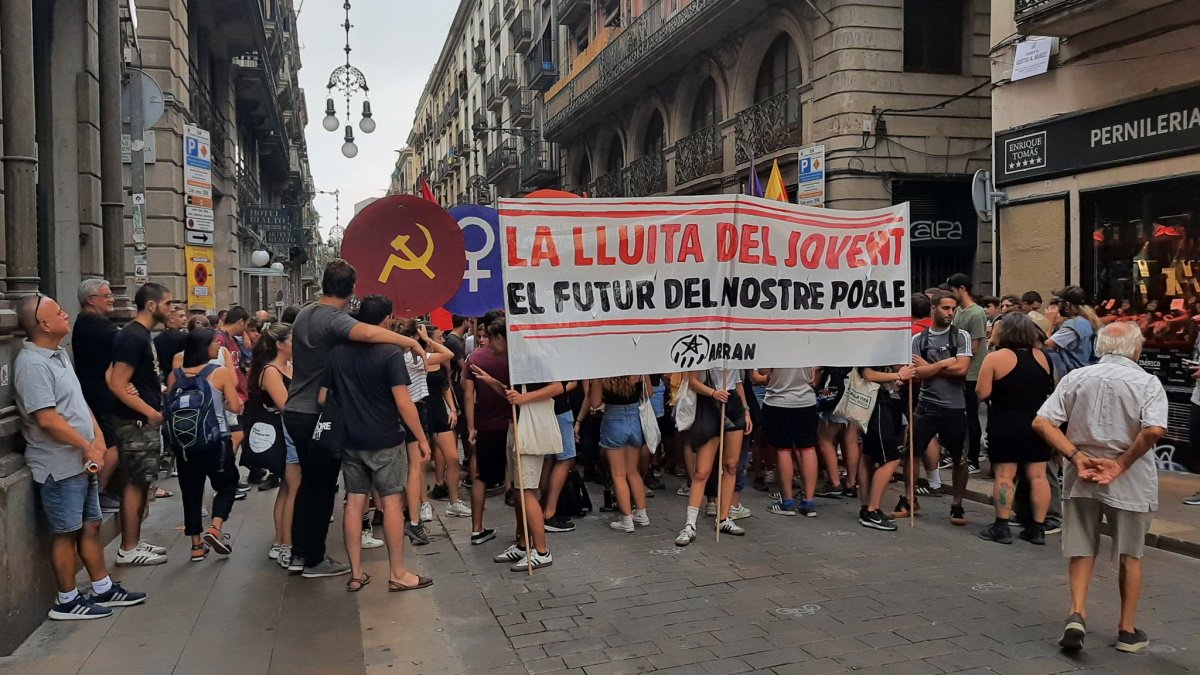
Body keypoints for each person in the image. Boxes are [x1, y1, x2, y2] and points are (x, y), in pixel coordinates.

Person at [283, 260, 423, 579]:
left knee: (308, 486)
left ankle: (298, 553)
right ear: (351, 290)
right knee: (321, 489)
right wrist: (411, 341)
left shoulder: (305, 313)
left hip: (295, 408)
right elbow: (371, 333)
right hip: (318, 415)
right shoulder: (334, 319)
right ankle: (313, 559)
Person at [1033, 322, 1168, 654]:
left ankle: (1077, 611)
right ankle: (1126, 629)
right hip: (1131, 477)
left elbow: (1041, 421)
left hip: (1083, 474)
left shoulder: (1077, 377)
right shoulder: (1147, 382)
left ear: (1100, 347)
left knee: (1081, 547)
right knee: (1130, 554)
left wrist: (1076, 456)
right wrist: (1121, 463)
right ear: (1136, 350)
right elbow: (1153, 430)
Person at [14, 294, 148, 620]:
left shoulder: (58, 356)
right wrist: (86, 446)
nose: (65, 315)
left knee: (91, 524)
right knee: (67, 531)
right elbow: (46, 419)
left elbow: (78, 403)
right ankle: (67, 599)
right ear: (43, 324)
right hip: (58, 463)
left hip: (81, 459)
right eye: (58, 312)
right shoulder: (32, 365)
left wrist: (98, 438)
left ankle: (102, 586)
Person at [322, 294, 434, 592]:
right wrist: (421, 438)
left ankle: (356, 573)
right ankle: (398, 572)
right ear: (387, 320)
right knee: (391, 502)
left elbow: (324, 397)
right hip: (385, 436)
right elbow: (403, 401)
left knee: (355, 501)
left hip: (350, 438)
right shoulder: (389, 352)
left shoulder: (337, 353)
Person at [107, 283, 173, 566]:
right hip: (136, 423)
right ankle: (128, 547)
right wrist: (150, 412)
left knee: (143, 482)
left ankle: (134, 540)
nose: (171, 309)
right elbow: (117, 381)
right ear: (151, 305)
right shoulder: (133, 337)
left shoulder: (141, 335)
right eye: (168, 304)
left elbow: (112, 375)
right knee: (135, 483)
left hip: (142, 419)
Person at [976, 313, 1055, 546]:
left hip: (1006, 422)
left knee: (1004, 476)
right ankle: (1038, 528)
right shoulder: (1044, 357)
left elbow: (982, 393)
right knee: (1039, 476)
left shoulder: (995, 358)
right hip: (1037, 424)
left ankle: (1001, 525)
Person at [165, 329, 244, 561]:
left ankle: (196, 546)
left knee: (191, 492)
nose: (218, 347)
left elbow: (169, 407)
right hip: (215, 442)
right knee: (228, 485)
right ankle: (215, 528)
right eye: (214, 343)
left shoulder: (175, 376)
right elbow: (234, 406)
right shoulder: (219, 373)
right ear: (203, 347)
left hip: (184, 445)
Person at [908, 293, 973, 526]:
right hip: (926, 405)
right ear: (933, 308)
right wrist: (946, 362)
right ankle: (909, 499)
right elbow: (917, 373)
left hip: (955, 407)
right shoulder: (919, 339)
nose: (949, 312)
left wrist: (932, 367)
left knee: (959, 458)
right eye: (945, 308)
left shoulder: (961, 336)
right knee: (912, 451)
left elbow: (961, 370)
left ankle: (957, 504)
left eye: (952, 309)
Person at [494, 378, 565, 572]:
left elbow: (558, 387)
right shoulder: (520, 357)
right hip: (518, 424)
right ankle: (524, 544)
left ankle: (542, 551)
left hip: (528, 428)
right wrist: (494, 383)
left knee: (526, 489)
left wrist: (524, 398)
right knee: (520, 490)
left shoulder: (534, 354)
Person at [245, 323, 301, 564]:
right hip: (285, 436)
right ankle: (286, 544)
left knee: (288, 489)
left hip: (289, 434)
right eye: (292, 340)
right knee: (293, 489)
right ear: (279, 345)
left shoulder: (288, 366)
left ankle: (281, 541)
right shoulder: (271, 371)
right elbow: (287, 406)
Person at [674, 367, 748, 545]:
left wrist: (746, 410)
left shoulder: (734, 349)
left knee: (731, 465)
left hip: (733, 404)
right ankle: (690, 524)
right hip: (710, 405)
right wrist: (713, 393)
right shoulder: (704, 347)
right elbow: (692, 380)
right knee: (702, 471)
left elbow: (737, 382)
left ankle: (723, 518)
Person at [396, 320, 454, 545]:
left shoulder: (397, 358)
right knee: (416, 465)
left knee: (406, 466)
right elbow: (447, 353)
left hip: (399, 411)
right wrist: (427, 340)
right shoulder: (419, 359)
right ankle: (413, 519)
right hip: (415, 409)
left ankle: (407, 512)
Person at [71, 279, 121, 513]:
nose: (112, 299)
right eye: (107, 295)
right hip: (99, 396)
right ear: (91, 300)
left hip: (100, 394)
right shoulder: (92, 323)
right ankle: (98, 491)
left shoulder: (93, 322)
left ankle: (101, 491)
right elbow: (126, 340)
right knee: (111, 445)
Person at [463, 313, 510, 546]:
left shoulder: (474, 358)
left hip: (485, 424)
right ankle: (523, 531)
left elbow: (469, 394)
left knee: (480, 477)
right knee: (517, 475)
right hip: (513, 423)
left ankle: (476, 528)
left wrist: (471, 427)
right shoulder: (513, 357)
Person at [590, 374, 651, 534]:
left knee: (618, 474)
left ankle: (626, 519)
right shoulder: (639, 371)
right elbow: (649, 393)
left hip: (613, 420)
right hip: (635, 418)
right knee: (633, 471)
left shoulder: (601, 376)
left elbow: (595, 403)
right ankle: (642, 514)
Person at [857, 364, 916, 531]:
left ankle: (866, 506)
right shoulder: (875, 344)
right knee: (891, 458)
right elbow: (868, 373)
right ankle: (871, 510)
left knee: (868, 455)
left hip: (875, 402)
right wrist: (898, 375)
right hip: (877, 404)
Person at [422, 324, 471, 518]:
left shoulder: (440, 360)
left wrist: (452, 408)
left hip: (439, 411)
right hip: (422, 412)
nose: (442, 340)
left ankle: (454, 501)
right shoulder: (418, 359)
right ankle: (423, 503)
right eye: (439, 337)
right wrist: (427, 340)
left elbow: (445, 385)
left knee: (453, 458)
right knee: (422, 461)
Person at [760, 368, 820, 519]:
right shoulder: (809, 343)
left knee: (783, 449)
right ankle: (809, 502)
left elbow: (762, 370)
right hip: (806, 400)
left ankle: (787, 502)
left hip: (778, 400)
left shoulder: (777, 344)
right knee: (808, 448)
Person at [947, 273, 987, 475]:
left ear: (962, 288)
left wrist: (960, 361)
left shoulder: (976, 313)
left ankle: (973, 457)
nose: (951, 294)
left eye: (953, 290)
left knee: (971, 415)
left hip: (972, 372)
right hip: (961, 370)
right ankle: (959, 453)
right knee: (961, 415)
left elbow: (976, 344)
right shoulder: (959, 312)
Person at [541, 381, 579, 533]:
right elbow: (571, 383)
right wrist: (561, 389)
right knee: (564, 459)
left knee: (548, 460)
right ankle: (549, 512)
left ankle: (543, 507)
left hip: (543, 411)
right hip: (560, 410)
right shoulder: (558, 360)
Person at [154, 304, 189, 385]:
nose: (185, 319)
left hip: (166, 380)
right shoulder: (185, 337)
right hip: (183, 379)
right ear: (171, 319)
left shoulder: (157, 339)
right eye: (181, 316)